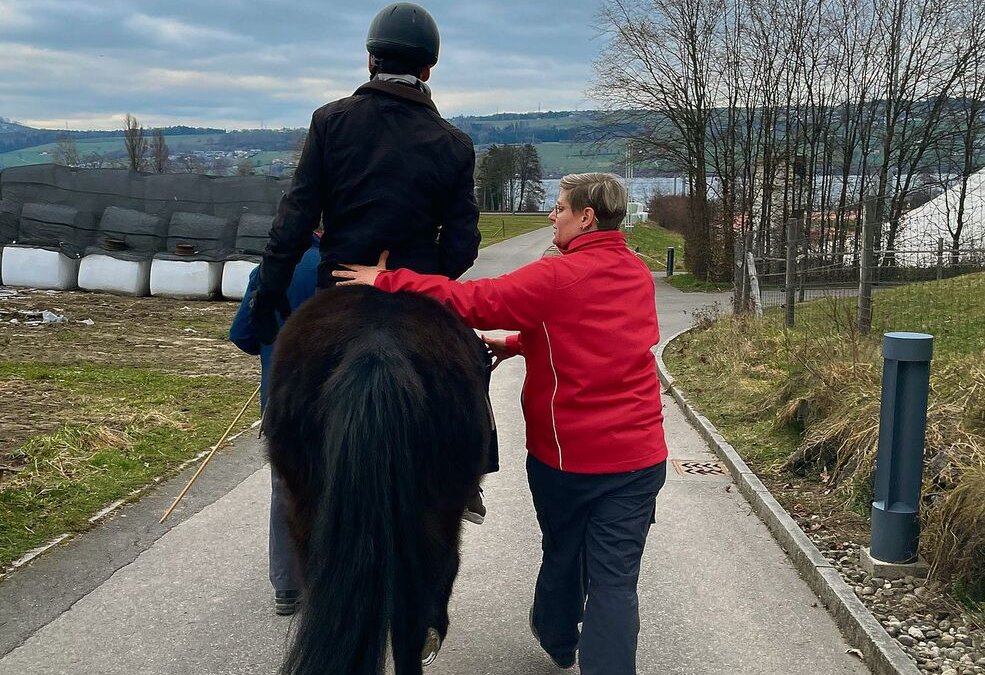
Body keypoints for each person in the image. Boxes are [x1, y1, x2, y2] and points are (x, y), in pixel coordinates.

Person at [335, 173, 668, 674]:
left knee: (563, 551)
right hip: (642, 458)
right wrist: (515, 345)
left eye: (559, 208)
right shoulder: (637, 272)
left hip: (569, 460)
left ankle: (557, 635)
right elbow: (597, 336)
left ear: (586, 217)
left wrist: (386, 281)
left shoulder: (556, 276)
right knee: (615, 580)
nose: (552, 216)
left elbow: (474, 301)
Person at [248, 1, 492, 521]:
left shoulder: (330, 123)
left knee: (294, 389)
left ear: (370, 61)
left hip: (337, 288)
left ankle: (287, 455)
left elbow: (293, 221)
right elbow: (463, 245)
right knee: (471, 363)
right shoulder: (454, 144)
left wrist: (267, 296)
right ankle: (469, 476)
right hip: (416, 296)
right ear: (428, 69)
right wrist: (423, 278)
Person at [229, 233, 320, 616]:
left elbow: (243, 335)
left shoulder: (270, 269)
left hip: (283, 402)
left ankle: (287, 587)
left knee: (287, 488)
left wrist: (272, 349)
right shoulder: (354, 269)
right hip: (338, 399)